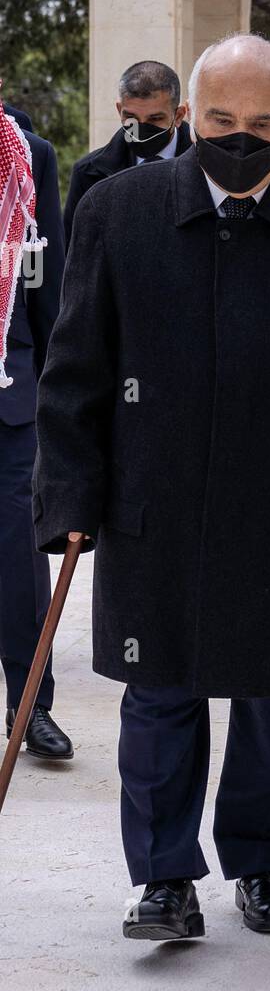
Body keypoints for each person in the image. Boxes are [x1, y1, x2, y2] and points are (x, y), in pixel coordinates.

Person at [33, 33, 270, 941]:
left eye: (260, 123)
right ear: (188, 116)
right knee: (158, 695)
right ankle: (164, 878)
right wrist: (71, 500)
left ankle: (267, 865)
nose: (237, 137)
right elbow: (75, 367)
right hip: (152, 508)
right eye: (219, 120)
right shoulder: (116, 211)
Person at [0, 91, 70, 759]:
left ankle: (30, 708)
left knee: (19, 561)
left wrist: (60, 385)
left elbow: (43, 273)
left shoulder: (30, 155)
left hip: (11, 391)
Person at [63, 60, 192, 245]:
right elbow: (74, 251)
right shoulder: (88, 174)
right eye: (131, 117)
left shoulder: (208, 165)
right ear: (119, 110)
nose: (141, 127)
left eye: (155, 119)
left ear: (178, 115)